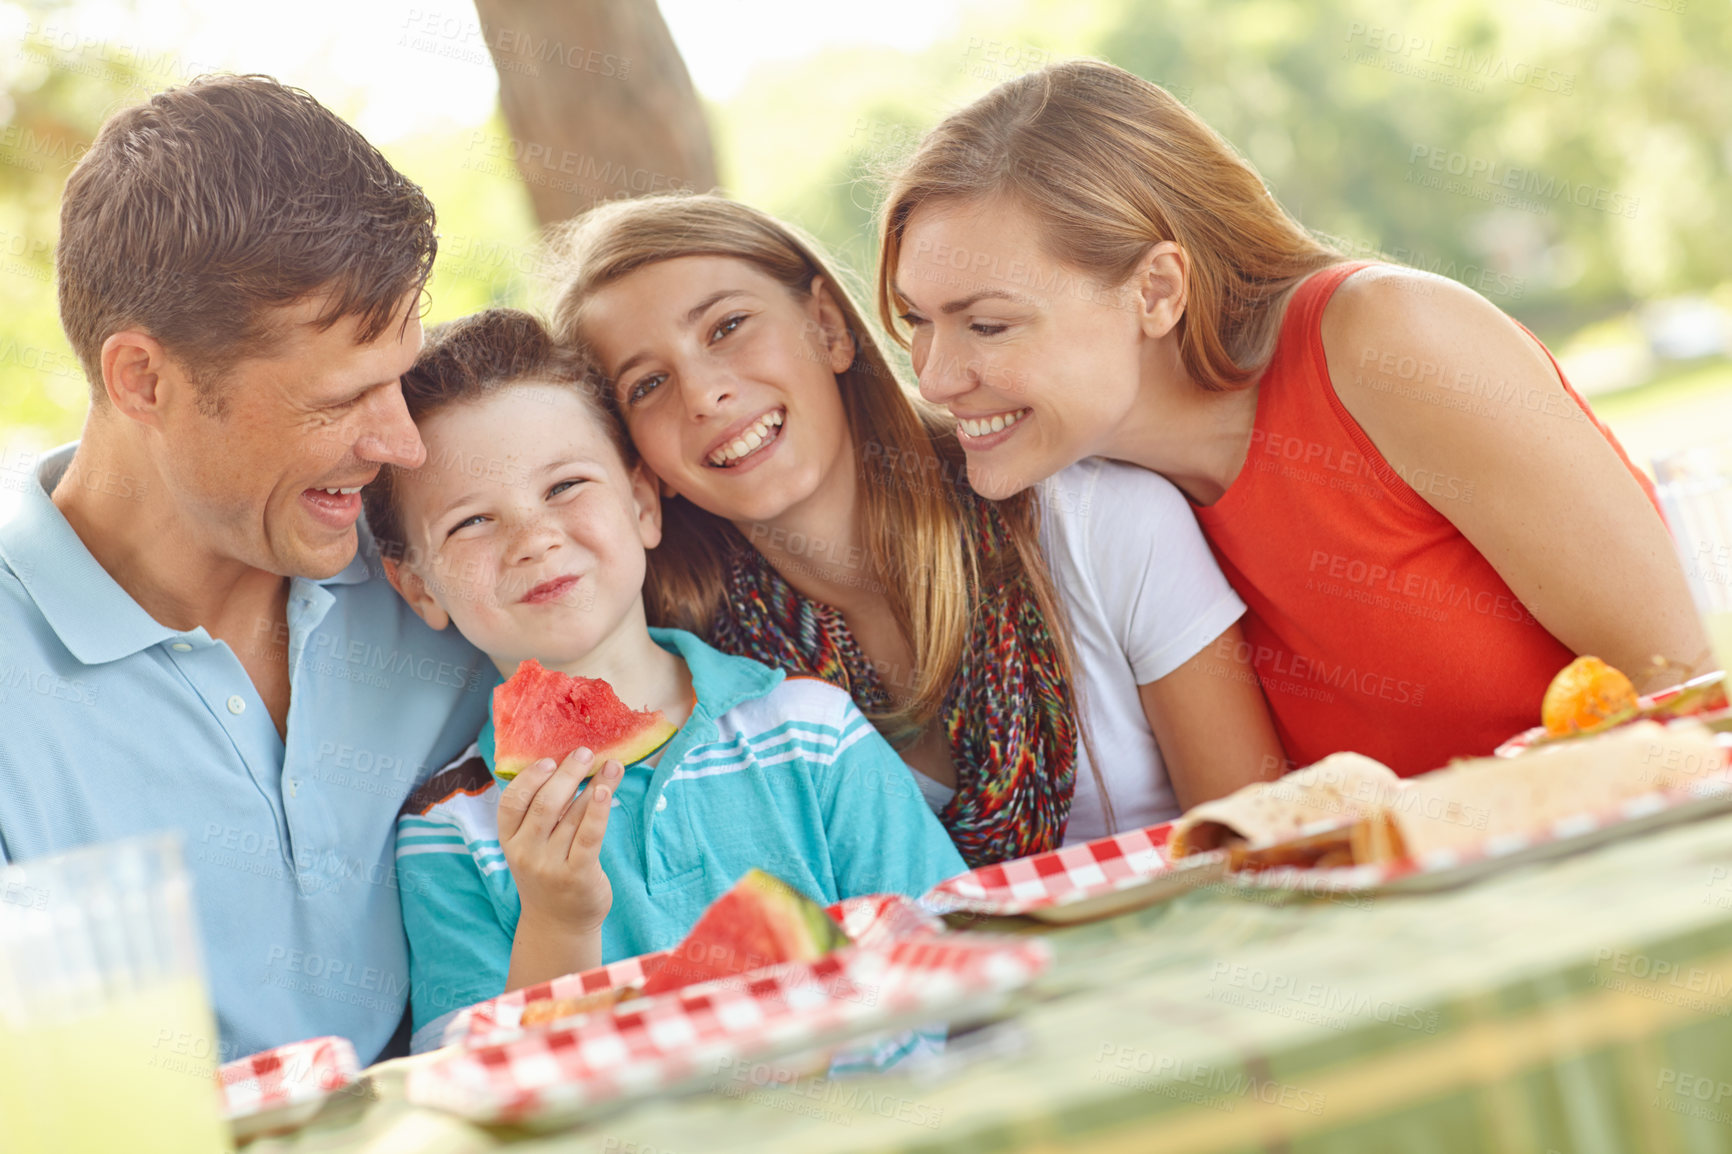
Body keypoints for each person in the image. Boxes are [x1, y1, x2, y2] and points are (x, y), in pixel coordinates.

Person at [876, 59, 1709, 777]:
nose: (937, 376)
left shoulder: (1389, 341)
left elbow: (1683, 682)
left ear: (1157, 291)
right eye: (917, 320)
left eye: (988, 324)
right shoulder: (1091, 491)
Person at [551, 194, 1283, 867]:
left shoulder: (1097, 524)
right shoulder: (689, 671)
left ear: (829, 329)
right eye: (646, 384)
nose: (705, 394)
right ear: (638, 461)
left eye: (728, 327)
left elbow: (1267, 851)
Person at [0, 75, 493, 1063]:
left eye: (402, 373)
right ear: (143, 378)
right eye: (342, 397)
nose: (401, 441)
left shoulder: (442, 570)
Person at [362, 309, 966, 1052]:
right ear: (417, 587)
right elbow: (495, 1100)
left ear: (643, 504)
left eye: (565, 486)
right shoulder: (451, 830)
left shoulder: (811, 734)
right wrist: (556, 920)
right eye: (471, 523)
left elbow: (953, 965)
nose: (535, 538)